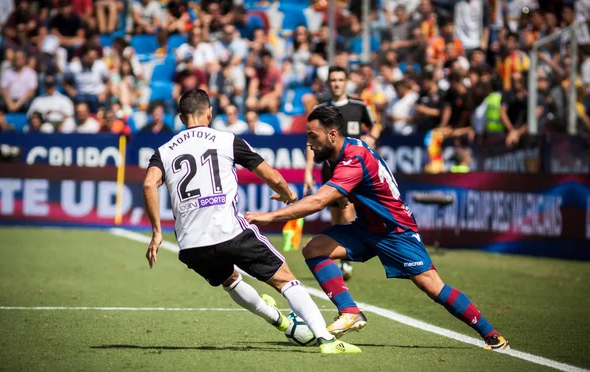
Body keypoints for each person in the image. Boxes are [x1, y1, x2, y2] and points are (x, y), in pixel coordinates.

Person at [246, 105, 509, 351]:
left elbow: (318, 202)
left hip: (395, 232)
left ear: (333, 135)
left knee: (432, 286)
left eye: (313, 136)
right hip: (368, 228)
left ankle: (493, 337)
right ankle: (349, 311)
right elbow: (343, 195)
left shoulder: (351, 160)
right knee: (315, 248)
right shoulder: (343, 153)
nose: (308, 143)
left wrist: (269, 217)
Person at [142, 89, 360, 354]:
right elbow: (271, 175)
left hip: (190, 244)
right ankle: (327, 340)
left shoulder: (164, 151)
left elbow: (149, 184)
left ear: (180, 117)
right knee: (286, 280)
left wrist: (156, 232)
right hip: (229, 231)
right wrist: (287, 194)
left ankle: (280, 321)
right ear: (210, 112)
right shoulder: (225, 139)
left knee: (230, 280)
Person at [303, 66, 379, 281]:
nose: (336, 83)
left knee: (348, 212)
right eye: (333, 80)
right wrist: (309, 172)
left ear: (346, 82)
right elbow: (312, 141)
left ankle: (347, 259)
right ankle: (342, 256)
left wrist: (372, 137)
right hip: (330, 170)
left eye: (340, 79)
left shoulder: (359, 106)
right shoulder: (321, 110)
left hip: (353, 172)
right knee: (336, 216)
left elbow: (375, 126)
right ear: (328, 83)